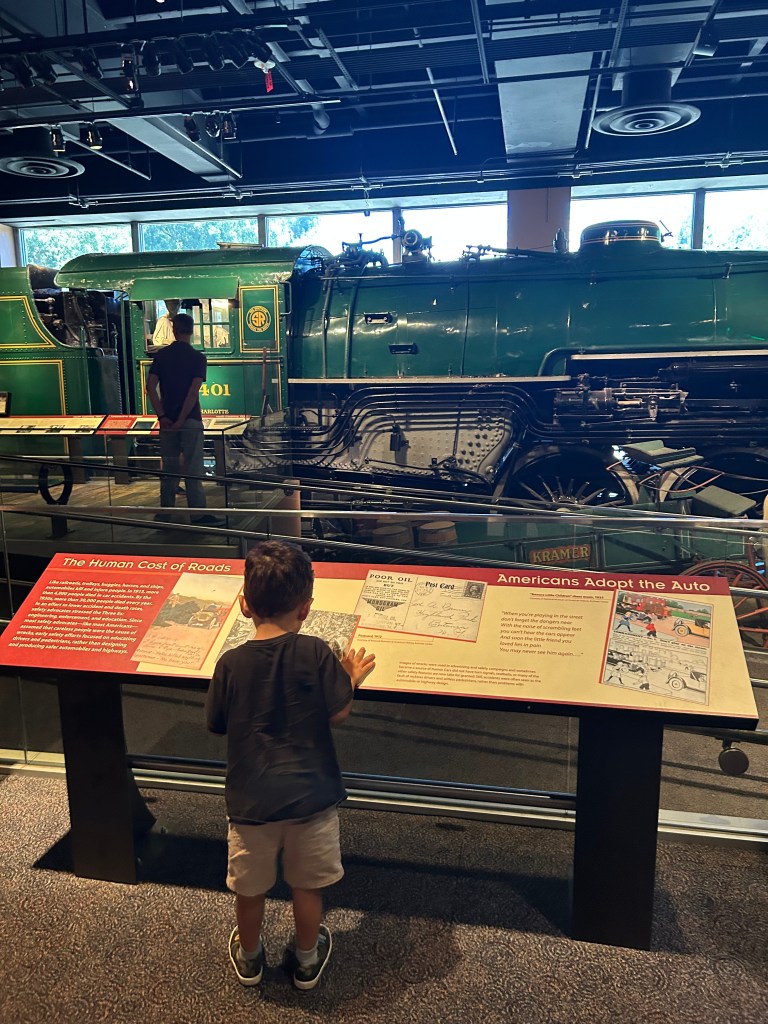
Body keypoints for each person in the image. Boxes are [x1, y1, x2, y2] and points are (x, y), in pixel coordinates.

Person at [205, 541, 376, 990]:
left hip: (251, 801)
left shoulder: (229, 664)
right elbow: (337, 711)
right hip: (312, 798)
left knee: (250, 886)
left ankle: (250, 956)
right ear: (305, 609)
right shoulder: (317, 652)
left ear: (244, 605)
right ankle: (304, 960)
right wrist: (350, 678)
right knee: (307, 886)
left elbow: (217, 723)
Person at [145, 312, 211, 520]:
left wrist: (162, 416)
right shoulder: (198, 358)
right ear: (191, 331)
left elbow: (150, 387)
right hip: (190, 420)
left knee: (169, 469)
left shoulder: (161, 356)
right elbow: (193, 392)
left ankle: (166, 512)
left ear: (174, 330)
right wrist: (182, 419)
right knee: (193, 469)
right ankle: (198, 515)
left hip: (167, 421)